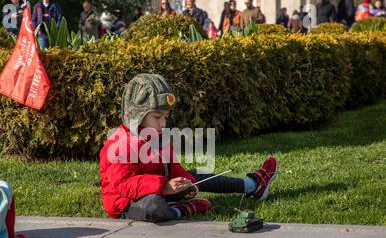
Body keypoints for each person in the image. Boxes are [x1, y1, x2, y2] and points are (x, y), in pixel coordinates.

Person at [99, 74, 279, 222]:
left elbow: (172, 165)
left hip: (162, 188)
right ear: (136, 115)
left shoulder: (157, 136)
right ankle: (181, 211)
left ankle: (253, 186)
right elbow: (125, 185)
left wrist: (185, 180)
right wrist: (164, 187)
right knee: (154, 206)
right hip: (127, 204)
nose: (163, 123)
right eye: (157, 117)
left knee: (195, 176)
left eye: (166, 117)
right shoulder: (119, 145)